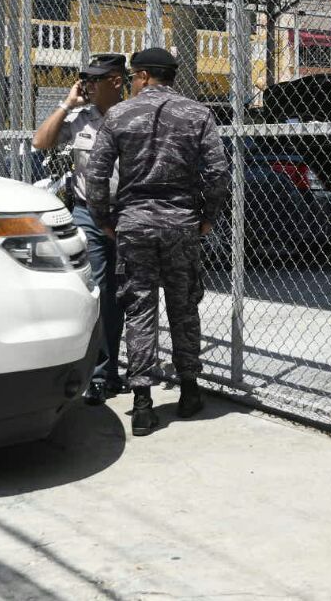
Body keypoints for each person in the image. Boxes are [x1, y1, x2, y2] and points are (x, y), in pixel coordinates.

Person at [85, 47, 229, 437]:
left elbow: (95, 175)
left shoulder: (118, 115)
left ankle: (143, 402)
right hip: (181, 222)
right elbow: (218, 172)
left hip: (134, 224)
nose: (132, 82)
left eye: (133, 76)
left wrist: (104, 220)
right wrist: (208, 218)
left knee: (140, 308)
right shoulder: (198, 114)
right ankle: (189, 391)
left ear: (145, 75)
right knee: (183, 306)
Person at [31, 53, 128, 405]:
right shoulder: (80, 118)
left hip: (129, 214)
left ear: (116, 81)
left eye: (95, 79)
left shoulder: (132, 116)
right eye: (84, 78)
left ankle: (125, 371)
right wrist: (66, 103)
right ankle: (102, 374)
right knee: (101, 291)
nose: (87, 84)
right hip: (90, 212)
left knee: (130, 294)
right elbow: (40, 142)